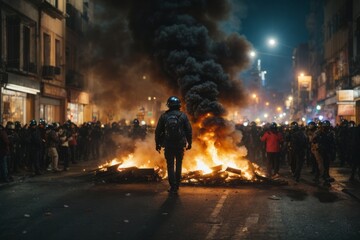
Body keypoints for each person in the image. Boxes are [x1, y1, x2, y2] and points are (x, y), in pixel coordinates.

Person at [155, 96, 192, 193]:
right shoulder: (183, 116)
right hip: (180, 144)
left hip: (168, 145)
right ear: (179, 105)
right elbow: (189, 131)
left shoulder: (164, 116)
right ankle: (177, 185)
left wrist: (157, 144)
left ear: (168, 105)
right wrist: (189, 143)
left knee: (170, 165)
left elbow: (158, 131)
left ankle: (173, 186)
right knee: (179, 164)